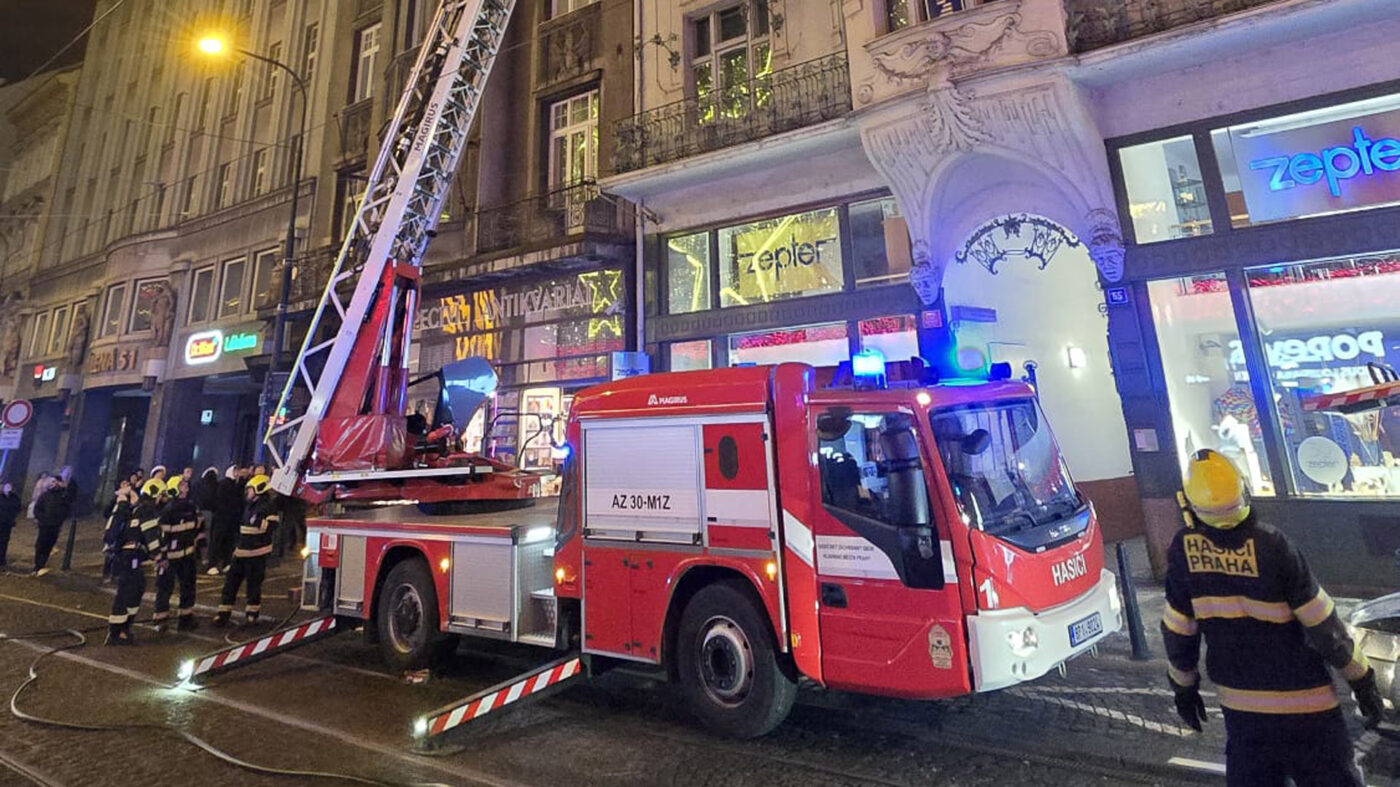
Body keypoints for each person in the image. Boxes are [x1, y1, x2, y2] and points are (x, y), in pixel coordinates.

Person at [1164, 449, 1384, 787]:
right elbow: (1325, 626)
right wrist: (1362, 678)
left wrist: (1183, 688)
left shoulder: (1183, 551)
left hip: (1244, 715)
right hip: (1308, 709)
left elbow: (1179, 631)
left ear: (1189, 505)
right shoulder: (1272, 545)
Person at [215, 474, 278, 627]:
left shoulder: (268, 506)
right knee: (231, 584)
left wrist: (256, 521)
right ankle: (223, 613)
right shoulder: (249, 505)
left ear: (259, 489)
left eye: (250, 489)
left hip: (257, 554)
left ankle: (251, 615)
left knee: (253, 586)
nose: (247, 492)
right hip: (241, 551)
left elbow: (271, 527)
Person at [105, 482, 161, 645]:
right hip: (130, 557)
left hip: (125, 556)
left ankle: (123, 628)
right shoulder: (145, 511)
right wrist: (158, 556)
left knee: (135, 587)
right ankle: (117, 632)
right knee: (128, 591)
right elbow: (151, 535)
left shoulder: (132, 509)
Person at [153, 476, 201, 632]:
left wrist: (198, 547)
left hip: (187, 555)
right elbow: (163, 535)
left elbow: (197, 528)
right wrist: (162, 556)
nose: (186, 486)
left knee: (188, 586)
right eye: (182, 484)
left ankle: (185, 618)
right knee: (165, 587)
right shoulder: (169, 510)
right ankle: (161, 620)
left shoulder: (190, 506)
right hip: (171, 557)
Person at [32, 474, 71, 576]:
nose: (54, 484)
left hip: (55, 525)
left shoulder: (63, 496)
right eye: (52, 482)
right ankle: (38, 566)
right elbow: (37, 509)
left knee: (49, 545)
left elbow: (67, 508)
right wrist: (42, 518)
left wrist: (59, 520)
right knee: (41, 545)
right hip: (44, 525)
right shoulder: (44, 495)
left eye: (55, 482)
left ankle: (42, 564)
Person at [209, 465, 243, 575]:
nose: (237, 473)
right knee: (218, 541)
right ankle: (212, 564)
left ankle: (226, 562)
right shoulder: (224, 484)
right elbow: (221, 501)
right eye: (235, 471)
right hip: (222, 518)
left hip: (231, 519)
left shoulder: (236, 485)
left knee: (229, 541)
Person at [195, 467, 220, 570]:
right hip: (209, 512)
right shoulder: (216, 485)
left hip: (197, 511)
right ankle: (206, 558)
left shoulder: (198, 484)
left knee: (197, 534)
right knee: (207, 534)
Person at [0, 482, 20, 569]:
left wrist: (12, 517)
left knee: (4, 540)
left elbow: (17, 508)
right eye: (6, 486)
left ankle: (2, 559)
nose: (8, 488)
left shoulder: (14, 498)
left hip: (7, 523)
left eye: (10, 486)